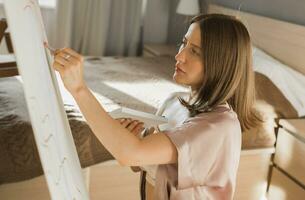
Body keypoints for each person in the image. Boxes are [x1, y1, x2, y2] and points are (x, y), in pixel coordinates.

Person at [51, 13, 261, 200]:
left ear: (220, 63)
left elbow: (130, 154)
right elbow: (139, 162)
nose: (179, 56)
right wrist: (135, 139)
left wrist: (79, 89)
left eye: (195, 51)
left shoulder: (217, 127)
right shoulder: (174, 101)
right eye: (184, 43)